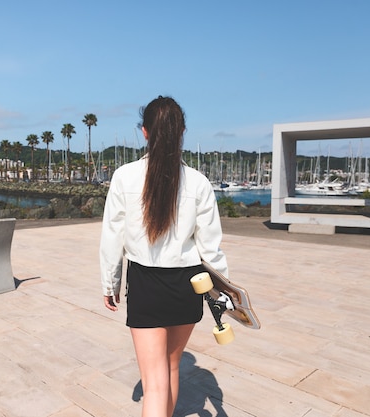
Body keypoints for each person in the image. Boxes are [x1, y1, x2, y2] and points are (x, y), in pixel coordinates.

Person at [100, 95, 228, 417]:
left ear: (145, 132)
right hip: (188, 284)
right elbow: (211, 247)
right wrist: (223, 293)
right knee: (171, 371)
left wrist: (110, 282)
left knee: (154, 385)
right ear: (181, 131)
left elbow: (112, 237)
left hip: (145, 282)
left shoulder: (124, 176)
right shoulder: (199, 183)